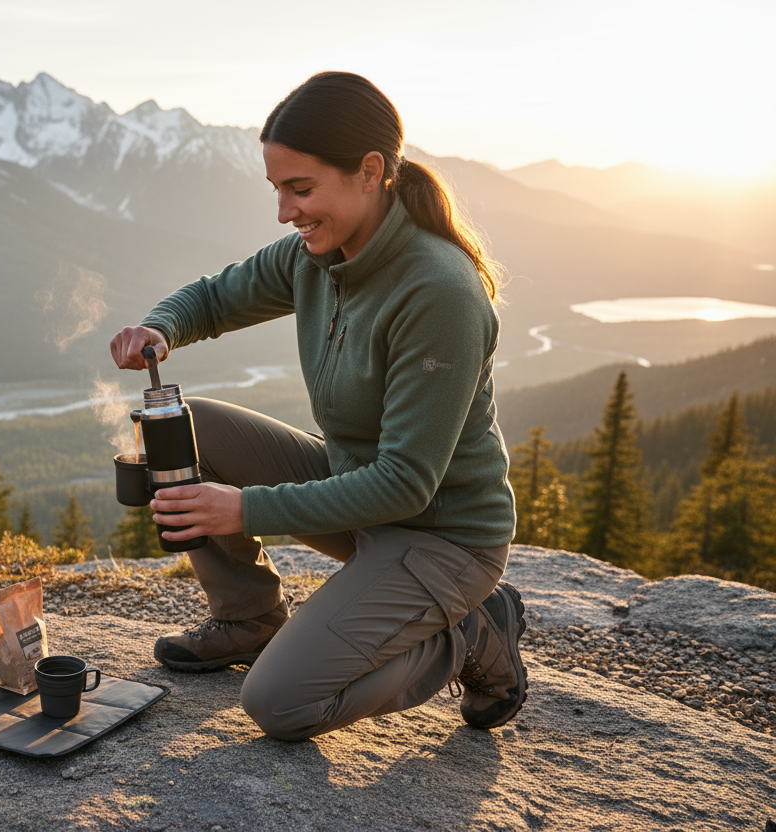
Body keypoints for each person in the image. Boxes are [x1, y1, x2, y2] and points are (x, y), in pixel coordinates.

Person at [108, 71, 525, 740]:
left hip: (443, 539)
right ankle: (247, 616)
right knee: (193, 427)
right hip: (362, 507)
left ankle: (475, 632)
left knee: (279, 702)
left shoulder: (438, 291)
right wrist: (161, 328)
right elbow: (216, 297)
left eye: (300, 189)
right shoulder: (317, 253)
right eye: (277, 189)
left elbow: (407, 484)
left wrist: (245, 509)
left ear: (370, 172)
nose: (284, 211)